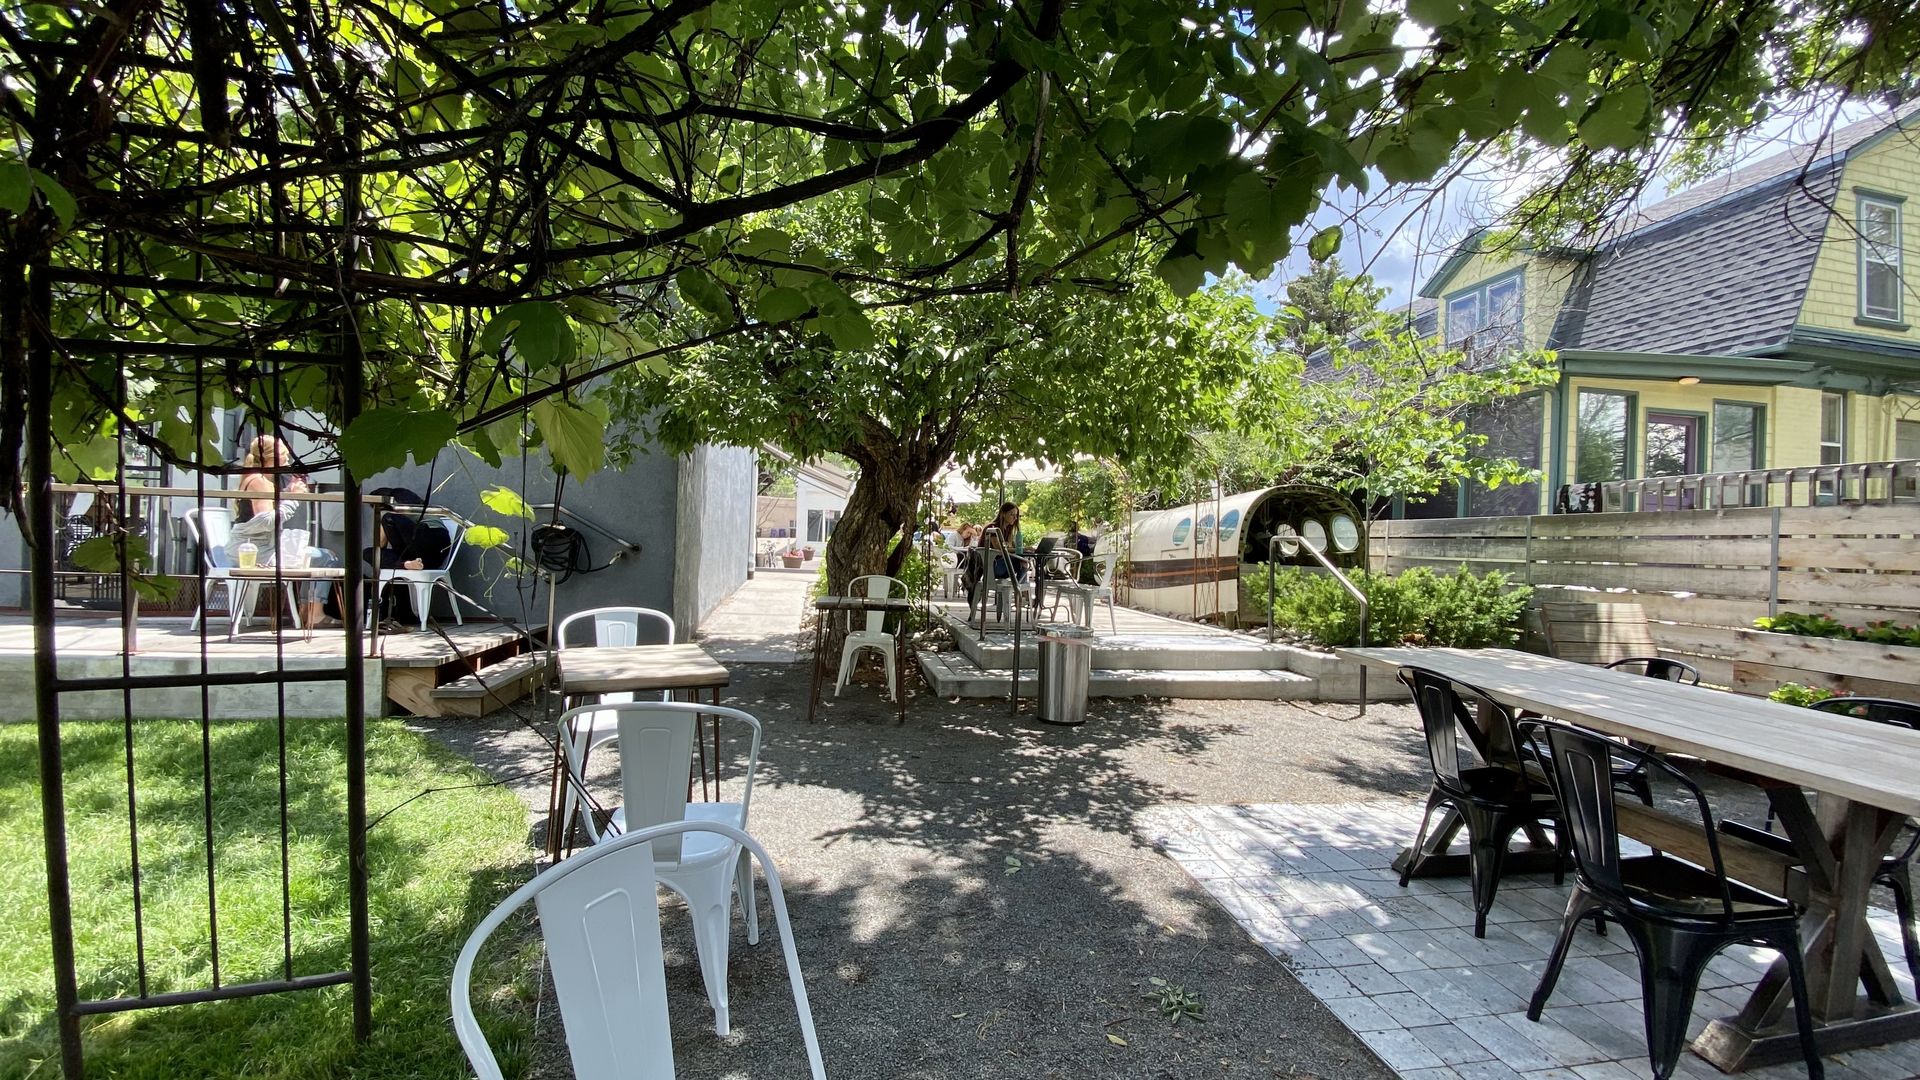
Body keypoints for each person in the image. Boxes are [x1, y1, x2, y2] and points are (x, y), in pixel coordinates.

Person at [231, 435, 341, 627]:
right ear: (271, 459)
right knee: (327, 557)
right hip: (258, 553)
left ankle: (307, 611)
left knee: (321, 556)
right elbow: (267, 521)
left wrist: (288, 493)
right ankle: (313, 613)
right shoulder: (260, 482)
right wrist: (294, 498)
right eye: (283, 455)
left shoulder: (258, 478)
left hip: (257, 548)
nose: (288, 458)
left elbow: (265, 512)